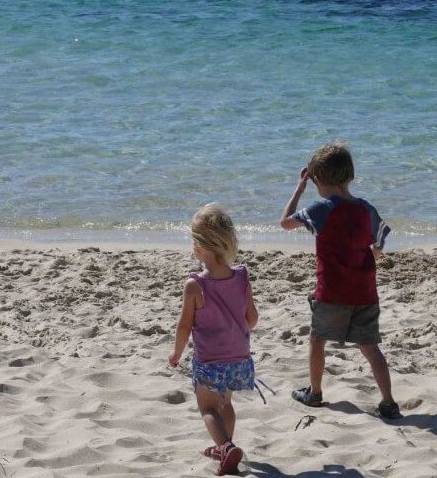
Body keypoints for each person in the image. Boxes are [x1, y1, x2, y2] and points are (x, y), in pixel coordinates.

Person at [279, 142, 401, 420]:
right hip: (365, 292)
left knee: (317, 340)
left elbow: (285, 222)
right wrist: (371, 253)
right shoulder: (366, 209)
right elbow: (379, 246)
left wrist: (299, 189)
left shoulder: (323, 208)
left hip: (331, 292)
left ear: (317, 180)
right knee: (370, 348)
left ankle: (315, 393)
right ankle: (388, 402)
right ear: (350, 177)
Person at [169, 204, 259, 476]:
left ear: (198, 246)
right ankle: (225, 445)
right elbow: (252, 318)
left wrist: (176, 354)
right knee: (226, 404)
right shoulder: (242, 276)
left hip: (210, 361)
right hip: (239, 358)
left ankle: (226, 447)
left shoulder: (195, 285)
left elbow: (185, 326)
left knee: (208, 409)